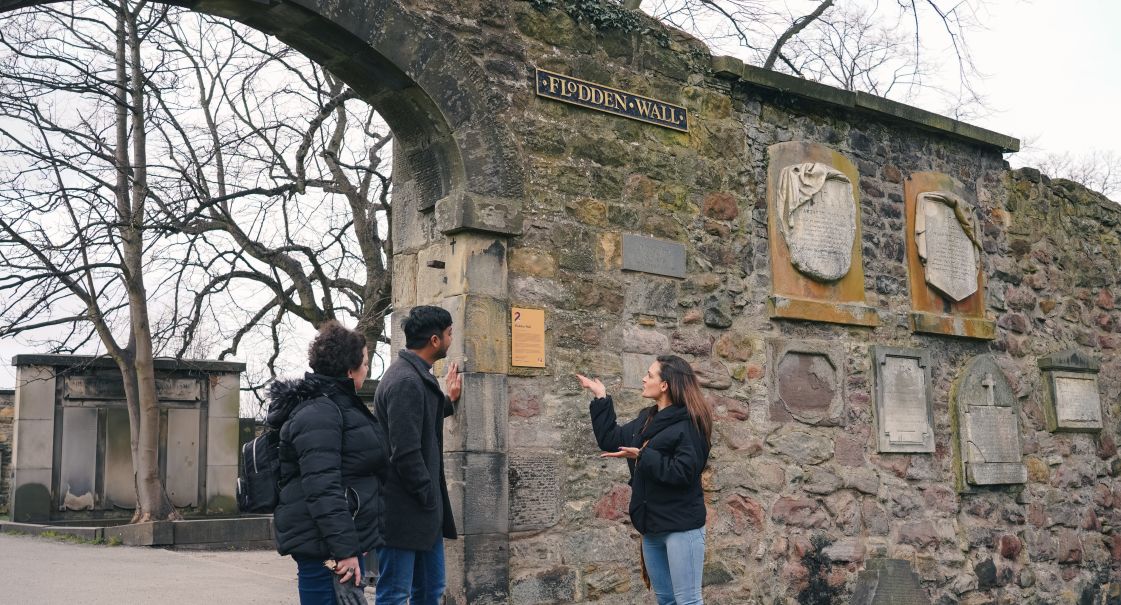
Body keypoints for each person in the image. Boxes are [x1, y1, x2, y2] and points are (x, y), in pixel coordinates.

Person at [577, 354, 714, 605]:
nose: (643, 378)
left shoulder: (691, 424)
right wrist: (600, 396)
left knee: (688, 601)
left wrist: (643, 455)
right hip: (651, 526)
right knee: (665, 600)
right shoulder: (646, 419)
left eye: (649, 375)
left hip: (681, 528)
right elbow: (611, 438)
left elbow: (683, 473)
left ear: (665, 385)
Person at [268, 320, 387, 605]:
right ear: (349, 370)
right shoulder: (321, 412)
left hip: (336, 544)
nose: (368, 369)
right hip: (327, 550)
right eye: (365, 363)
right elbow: (322, 488)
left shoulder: (334, 405)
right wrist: (345, 551)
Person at [373, 306, 463, 605]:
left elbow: (418, 425)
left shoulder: (415, 377)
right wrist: (428, 495)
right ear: (435, 340)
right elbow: (406, 452)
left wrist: (447, 401)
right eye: (450, 334)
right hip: (403, 511)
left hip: (422, 514)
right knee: (396, 595)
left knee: (430, 591)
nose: (452, 340)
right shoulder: (404, 381)